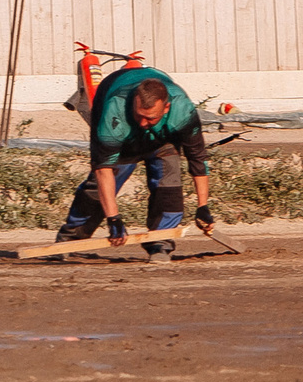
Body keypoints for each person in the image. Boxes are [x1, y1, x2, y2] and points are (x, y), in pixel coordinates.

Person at [54, 65, 215, 262]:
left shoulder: (183, 111)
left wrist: (202, 206)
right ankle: (71, 237)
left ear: (166, 108)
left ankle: (161, 242)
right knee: (99, 188)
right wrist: (113, 218)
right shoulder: (114, 111)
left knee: (169, 183)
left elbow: (197, 158)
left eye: (150, 118)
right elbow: (103, 169)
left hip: (162, 139)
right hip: (122, 132)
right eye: (138, 115)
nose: (142, 123)